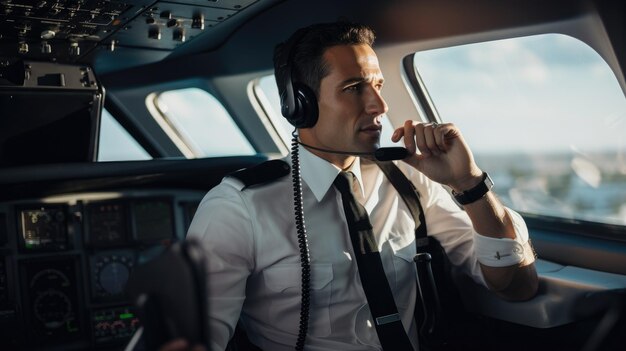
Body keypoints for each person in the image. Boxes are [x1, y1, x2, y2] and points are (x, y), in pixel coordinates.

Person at [182, 21, 538, 351]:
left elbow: (517, 286)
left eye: (378, 85)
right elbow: (199, 338)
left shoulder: (408, 180)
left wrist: (469, 184)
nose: (379, 105)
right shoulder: (239, 207)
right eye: (354, 88)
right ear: (299, 105)